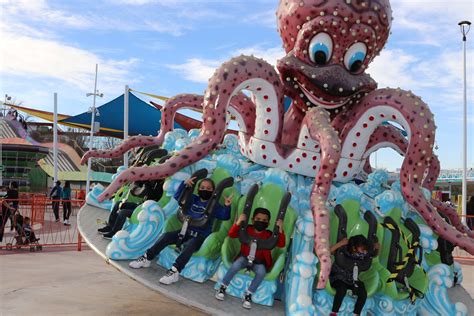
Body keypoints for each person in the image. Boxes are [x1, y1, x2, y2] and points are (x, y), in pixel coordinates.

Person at [129, 176, 233, 285]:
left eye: (208, 188)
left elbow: (224, 216)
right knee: (166, 236)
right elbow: (178, 197)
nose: (205, 190)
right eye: (202, 187)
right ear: (198, 189)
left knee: (190, 245)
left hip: (200, 236)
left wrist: (227, 206)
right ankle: (147, 258)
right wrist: (184, 185)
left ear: (213, 191)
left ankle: (174, 271)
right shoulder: (193, 199)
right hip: (185, 231)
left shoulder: (214, 205)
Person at [215, 207, 285, 309]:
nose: (261, 222)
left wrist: (280, 230)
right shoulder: (247, 229)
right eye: (258, 219)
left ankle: (249, 293)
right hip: (244, 257)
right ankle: (223, 286)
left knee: (261, 272)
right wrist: (239, 222)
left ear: (268, 223)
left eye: (264, 221)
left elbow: (281, 244)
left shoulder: (269, 234)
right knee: (235, 265)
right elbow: (232, 234)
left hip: (259, 261)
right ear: (253, 220)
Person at [329, 235, 378, 316]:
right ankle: (334, 312)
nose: (364, 251)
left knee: (362, 292)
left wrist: (376, 248)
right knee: (341, 290)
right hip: (338, 277)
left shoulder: (363, 254)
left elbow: (373, 255)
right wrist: (341, 243)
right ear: (354, 247)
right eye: (362, 248)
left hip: (352, 280)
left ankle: (356, 313)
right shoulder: (343, 250)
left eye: (364, 249)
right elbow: (329, 251)